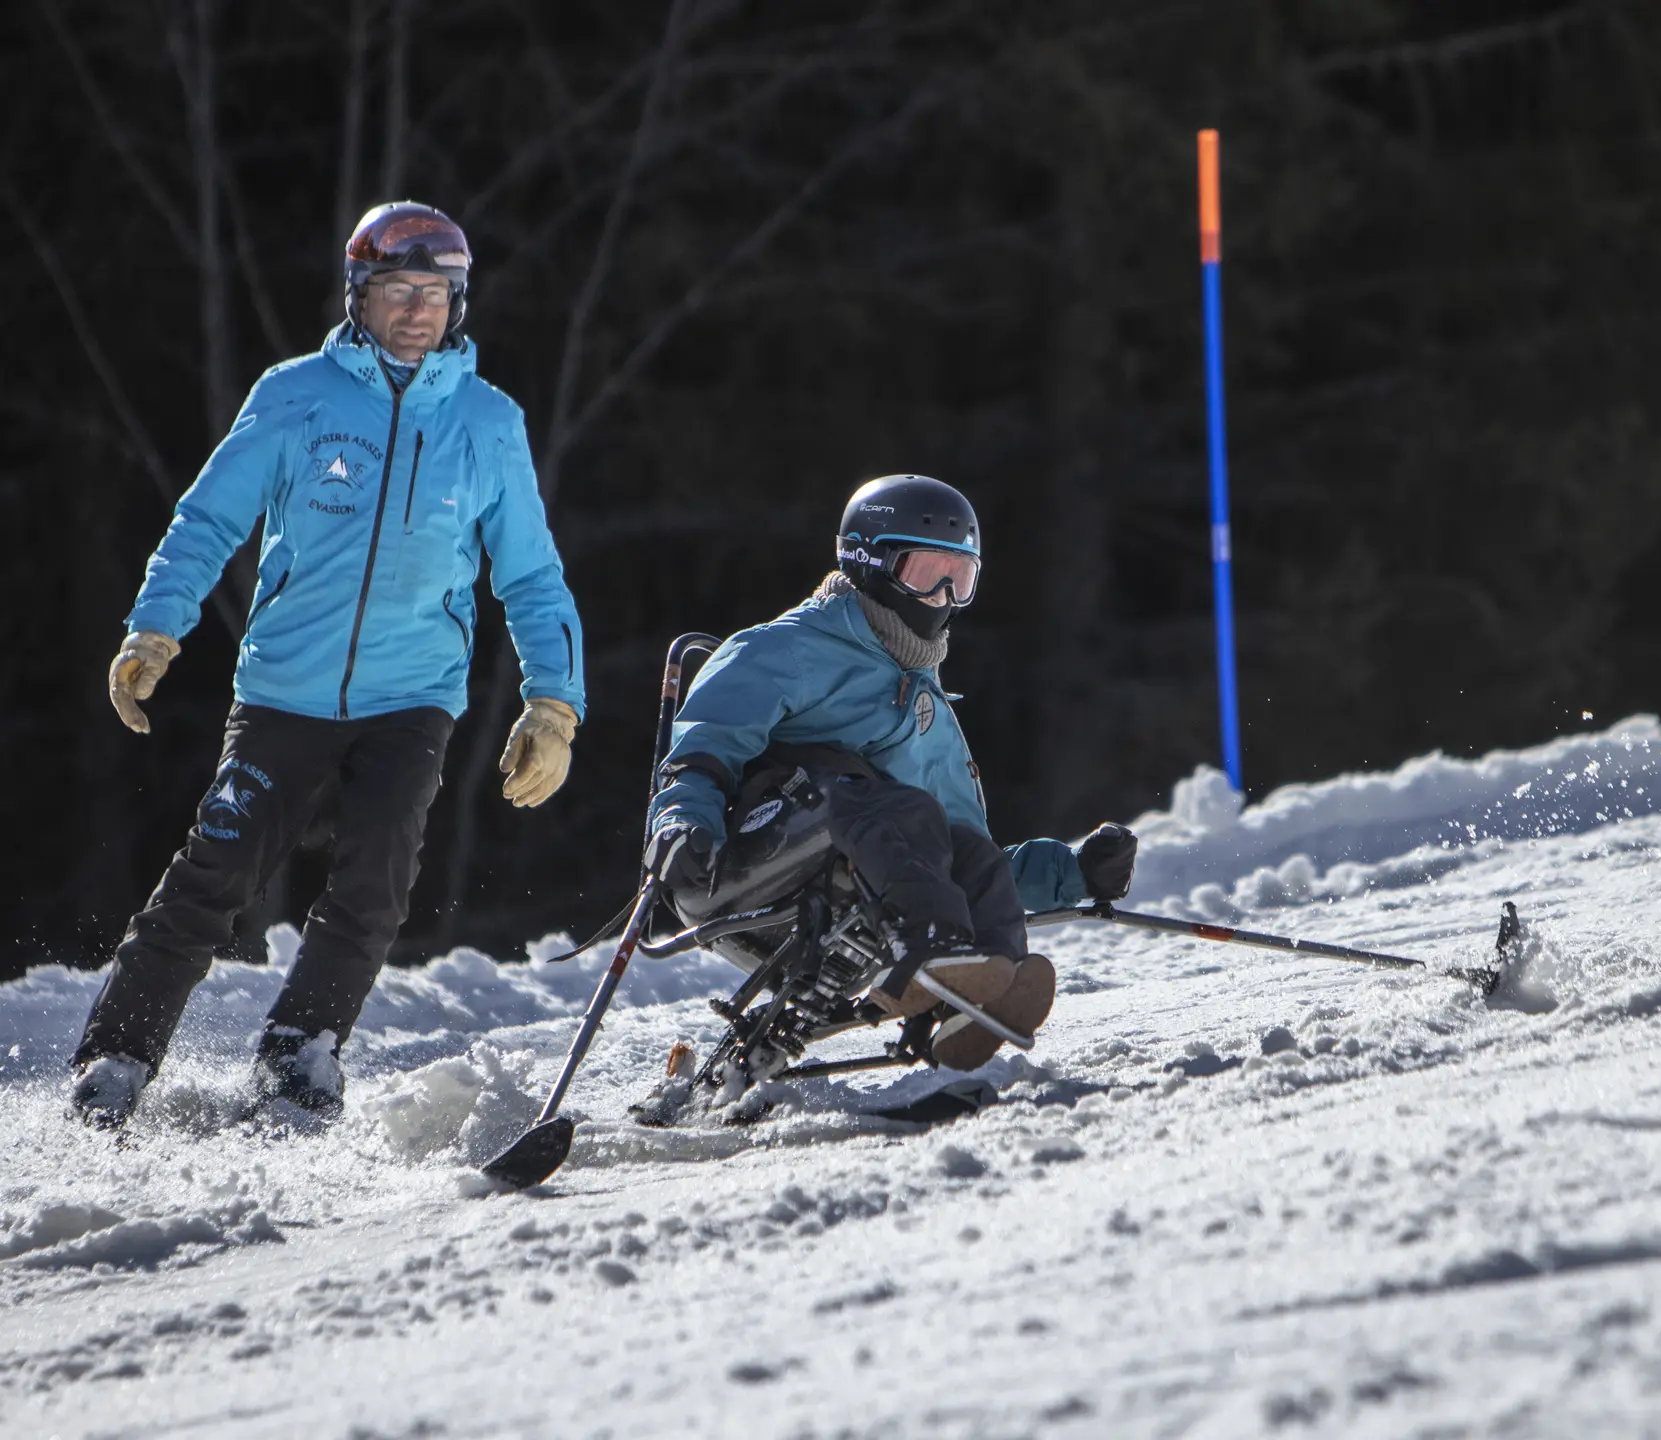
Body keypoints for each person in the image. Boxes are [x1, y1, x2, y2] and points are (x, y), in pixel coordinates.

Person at [72, 202, 587, 1127]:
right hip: (285, 690)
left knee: (377, 882)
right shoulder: (295, 394)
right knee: (214, 875)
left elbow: (533, 575)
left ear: (457, 303)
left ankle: (299, 1049)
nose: (418, 311)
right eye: (398, 290)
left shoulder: (487, 421)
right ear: (361, 295)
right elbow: (209, 519)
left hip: (413, 697)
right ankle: (116, 1055)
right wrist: (154, 629)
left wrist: (554, 703)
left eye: (436, 293)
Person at [645, 474, 1136, 1071]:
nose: (946, 599)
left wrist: (1073, 874)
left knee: (966, 852)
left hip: (854, 889)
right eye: (928, 576)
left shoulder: (929, 712)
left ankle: (970, 995)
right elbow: (704, 745)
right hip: (735, 867)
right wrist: (682, 821)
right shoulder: (788, 650)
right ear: (870, 563)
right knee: (886, 802)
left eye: (962, 578)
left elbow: (944, 856)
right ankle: (931, 956)